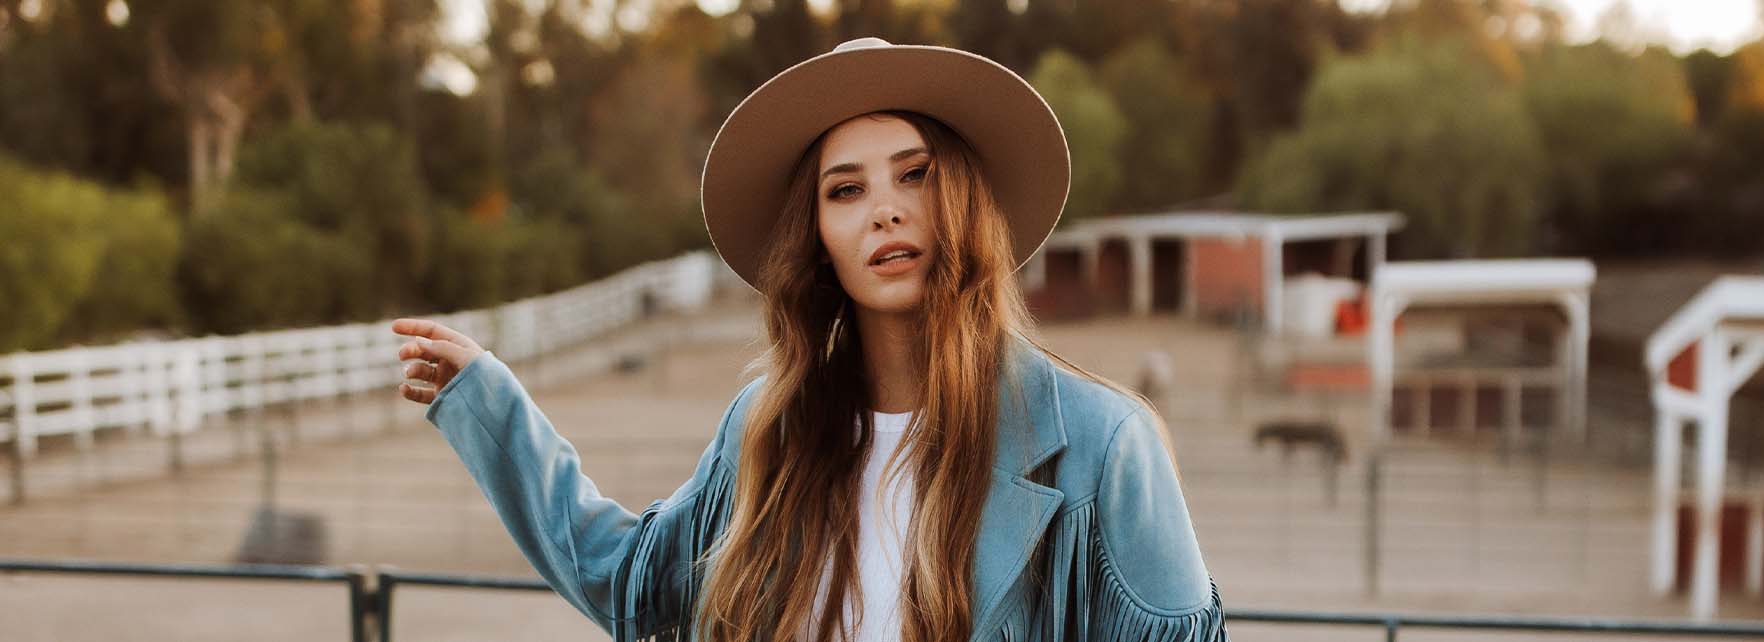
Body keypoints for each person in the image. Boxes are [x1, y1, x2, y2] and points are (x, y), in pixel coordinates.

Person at [392, 37, 1226, 642]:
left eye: (915, 173)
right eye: (845, 189)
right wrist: (492, 407)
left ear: (966, 199)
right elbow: (634, 583)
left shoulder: (1102, 444)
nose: (884, 210)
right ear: (817, 235)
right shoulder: (770, 427)